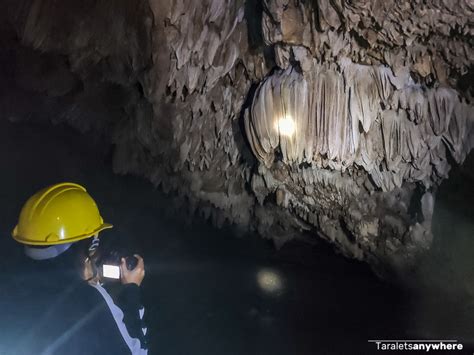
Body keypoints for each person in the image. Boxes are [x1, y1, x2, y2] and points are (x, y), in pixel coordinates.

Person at [9, 182, 148, 355]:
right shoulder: (88, 300)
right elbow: (136, 351)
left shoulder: (10, 290)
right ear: (90, 243)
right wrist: (132, 291)